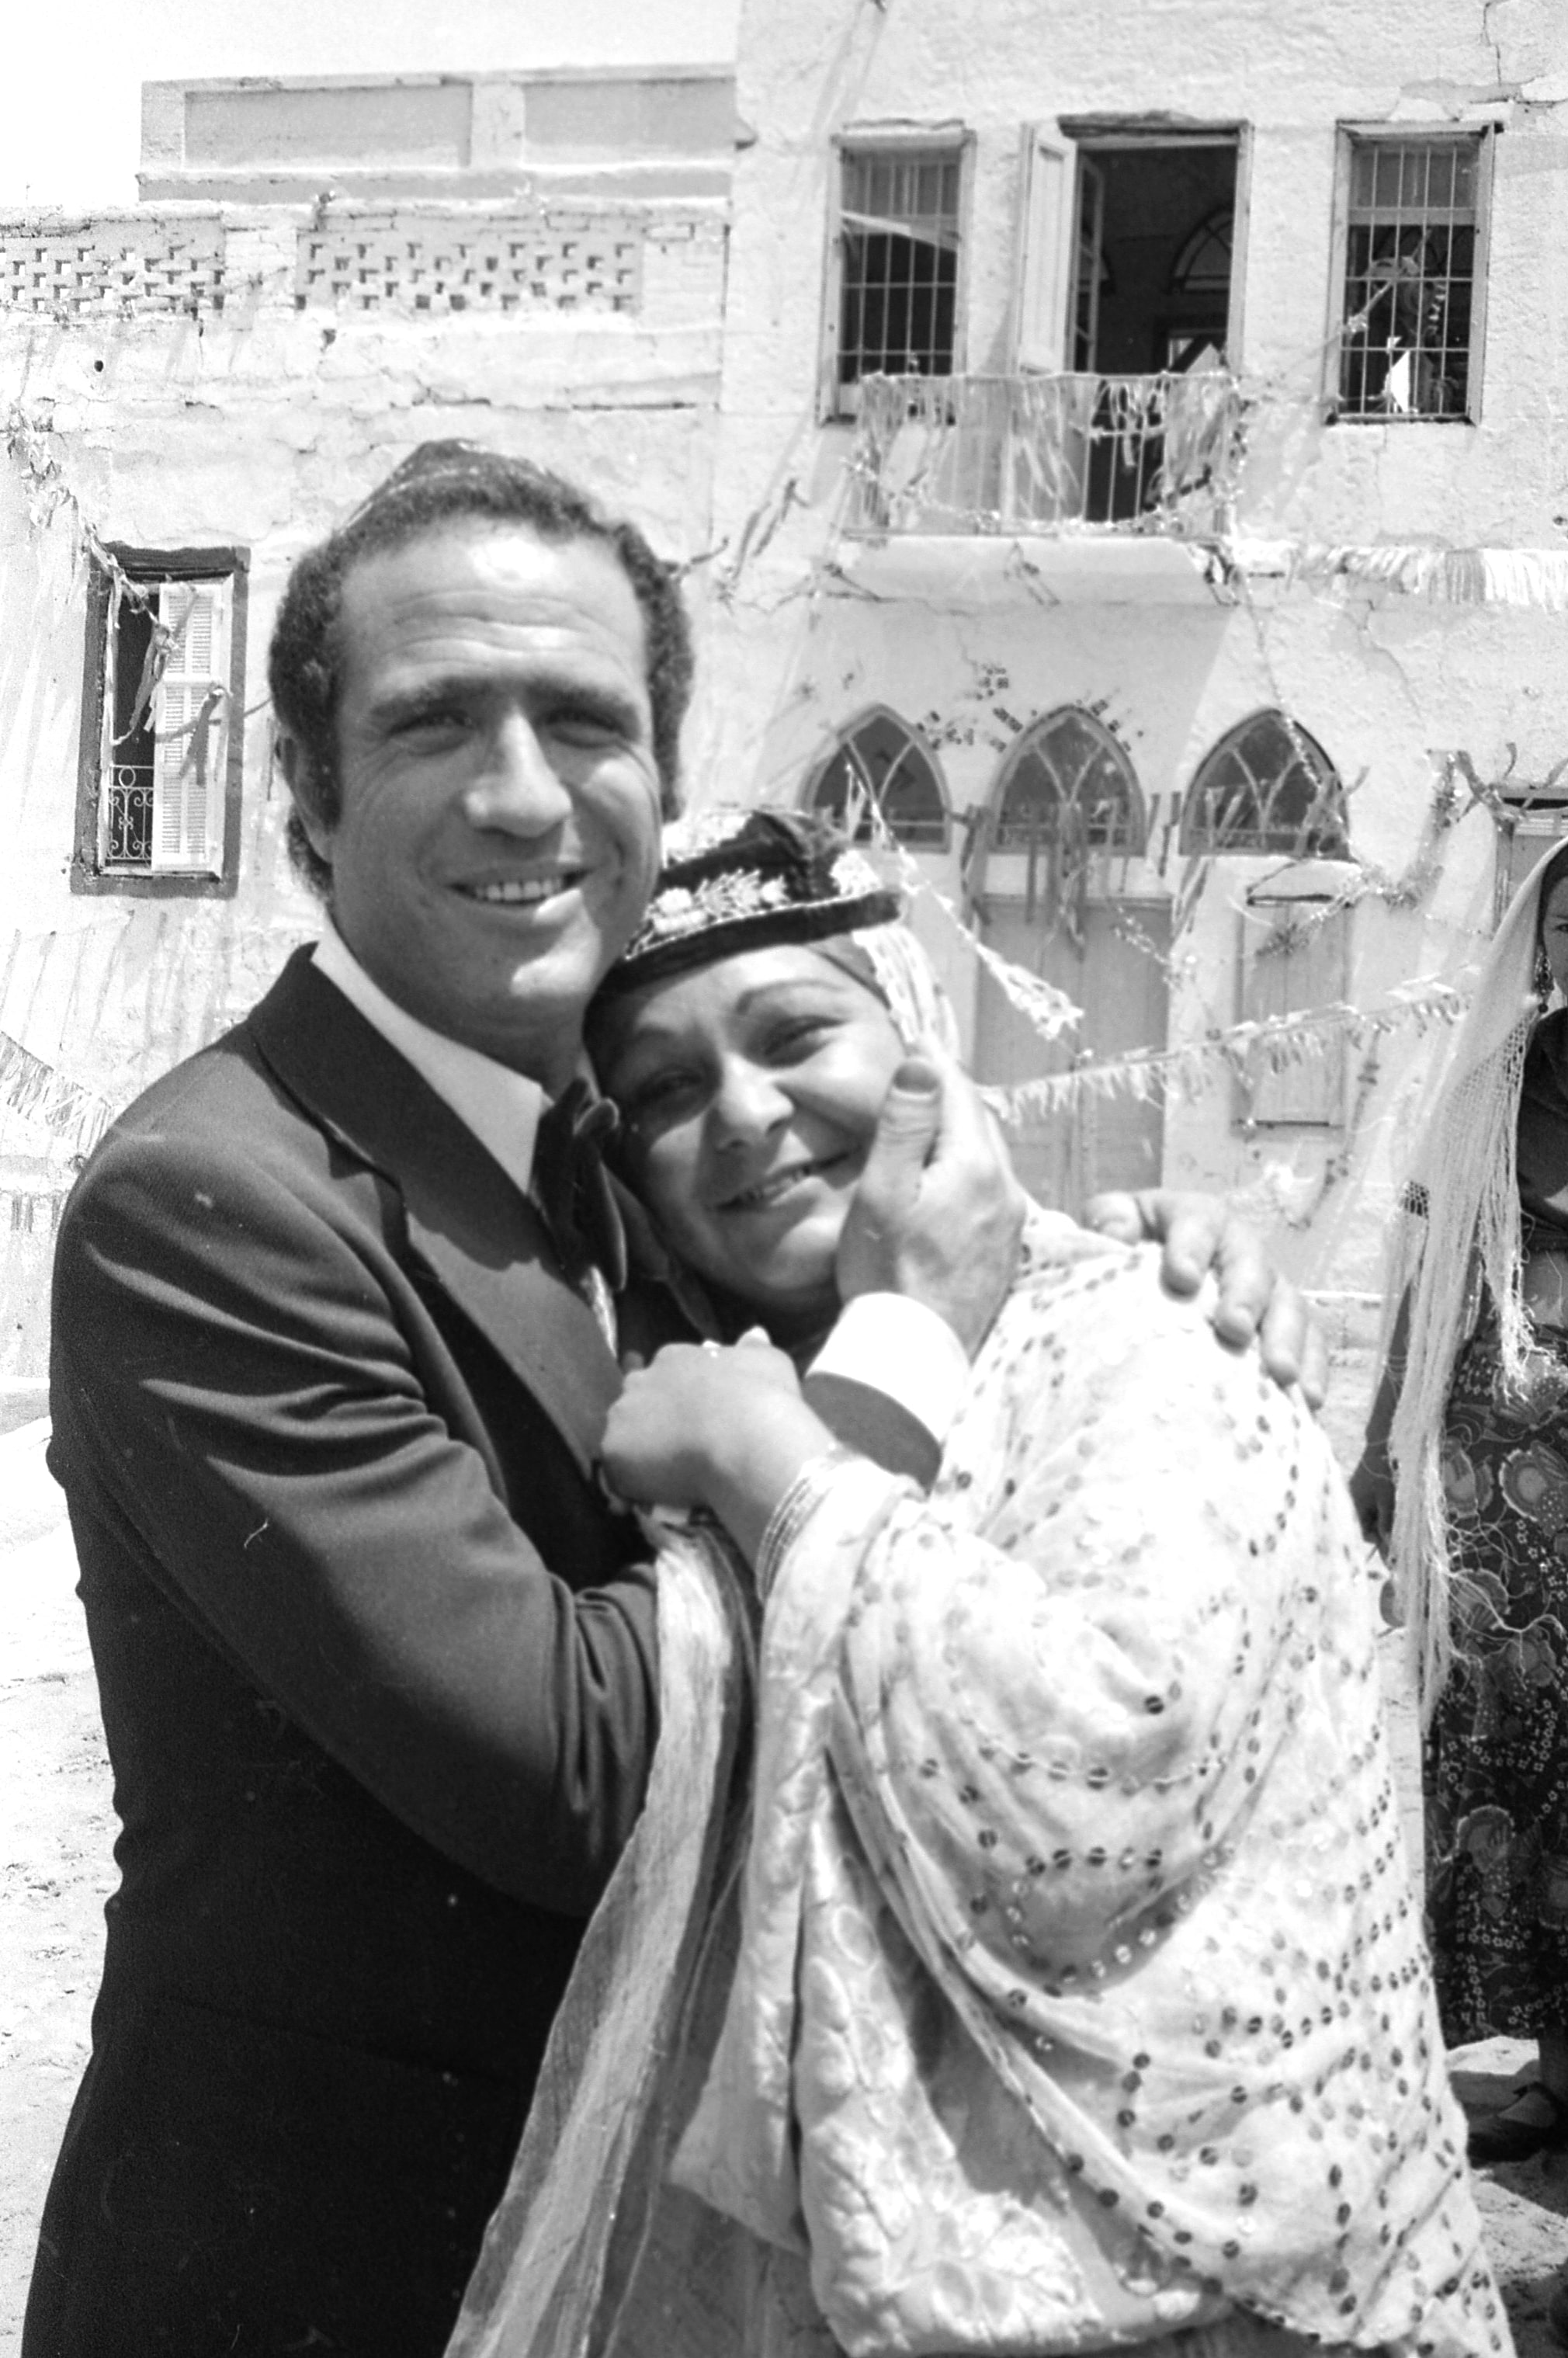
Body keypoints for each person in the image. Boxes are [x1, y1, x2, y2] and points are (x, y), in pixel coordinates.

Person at [23, 455, 1304, 2358]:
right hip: (344, 2279)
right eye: (433, 722)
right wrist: (909, 1341)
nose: (522, 793)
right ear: (305, 788)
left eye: (583, 722)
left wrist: (1124, 1272)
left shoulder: (631, 1146)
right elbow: (587, 1773)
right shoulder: (217, 1202)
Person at [442, 809, 1504, 2358]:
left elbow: (1099, 1780)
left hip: (1205, 2301)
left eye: (794, 1034)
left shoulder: (1149, 1334)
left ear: (925, 1048)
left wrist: (777, 1477)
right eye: (663, 1091)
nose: (742, 1113)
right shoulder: (684, 1394)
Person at [1354, 835, 1568, 2170]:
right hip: (1491, 1480)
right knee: (1505, 1749)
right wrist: (1382, 1450)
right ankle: (1551, 2069)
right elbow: (1427, 1279)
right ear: (1541, 944)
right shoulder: (1494, 1087)